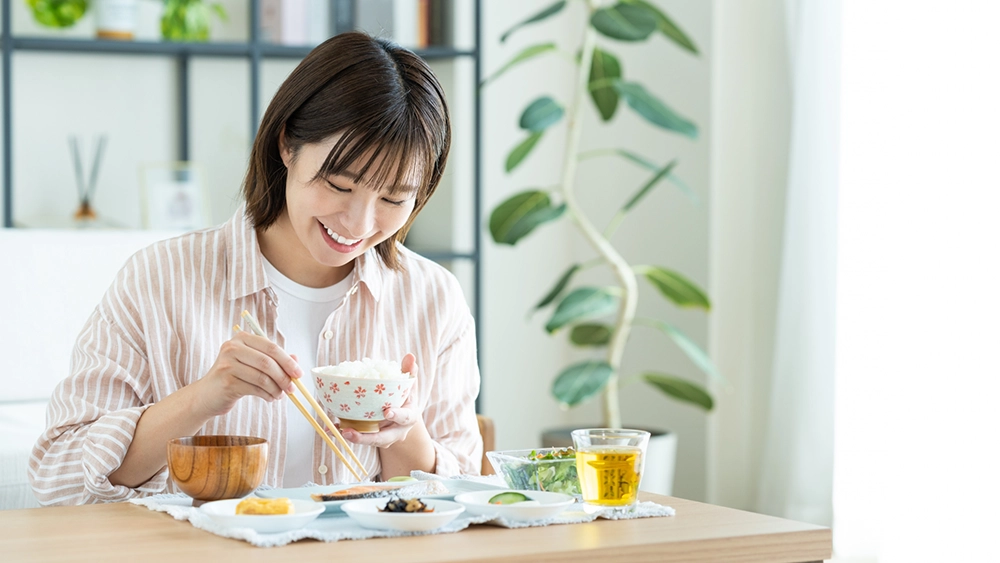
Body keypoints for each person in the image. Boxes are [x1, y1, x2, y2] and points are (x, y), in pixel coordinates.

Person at [28, 32, 482, 505]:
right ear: (287, 145)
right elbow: (57, 477)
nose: (359, 223)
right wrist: (203, 398)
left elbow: (464, 500)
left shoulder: (432, 298)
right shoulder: (160, 279)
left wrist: (403, 430)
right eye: (340, 184)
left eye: (393, 198)